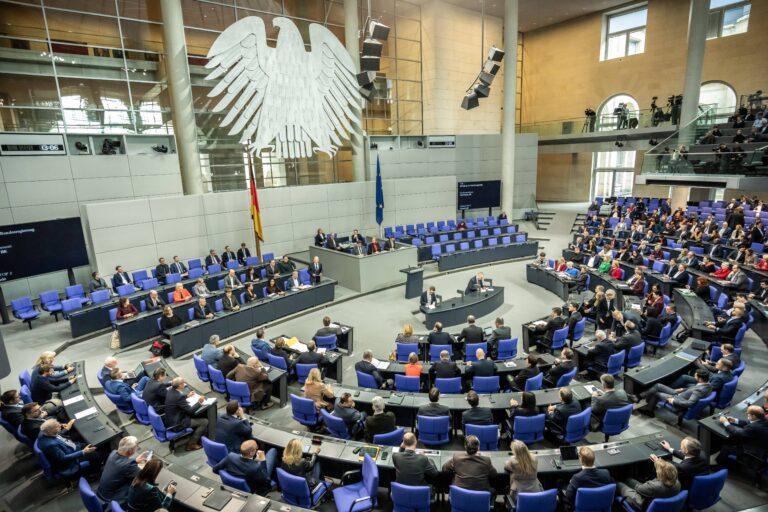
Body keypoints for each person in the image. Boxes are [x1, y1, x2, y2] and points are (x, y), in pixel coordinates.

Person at [637, 369, 712, 417]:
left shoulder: (699, 390)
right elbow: (693, 389)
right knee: (658, 385)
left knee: (656, 393)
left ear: (700, 379)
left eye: (695, 376)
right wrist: (682, 389)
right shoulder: (707, 384)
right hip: (680, 395)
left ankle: (649, 410)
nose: (694, 377)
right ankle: (640, 397)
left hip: (677, 401)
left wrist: (673, 401)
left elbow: (689, 403)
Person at [212, 440, 277, 495]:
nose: (257, 448)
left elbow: (215, 469)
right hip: (252, 488)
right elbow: (266, 481)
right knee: (272, 451)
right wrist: (262, 463)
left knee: (260, 454)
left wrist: (229, 476)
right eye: (256, 448)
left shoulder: (230, 456)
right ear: (251, 453)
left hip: (236, 485)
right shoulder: (256, 467)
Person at [97, 436, 147, 505]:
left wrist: (135, 461)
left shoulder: (113, 453)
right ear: (130, 451)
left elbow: (122, 463)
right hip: (111, 499)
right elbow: (144, 476)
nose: (137, 448)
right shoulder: (128, 465)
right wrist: (146, 466)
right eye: (137, 447)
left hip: (101, 492)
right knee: (141, 485)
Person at [164, 377, 209, 451]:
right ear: (179, 386)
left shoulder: (170, 391)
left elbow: (177, 400)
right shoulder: (179, 396)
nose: (184, 384)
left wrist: (187, 396)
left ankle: (197, 435)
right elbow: (191, 411)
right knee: (204, 421)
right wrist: (199, 402)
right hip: (178, 423)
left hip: (170, 420)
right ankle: (191, 444)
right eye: (183, 383)